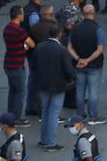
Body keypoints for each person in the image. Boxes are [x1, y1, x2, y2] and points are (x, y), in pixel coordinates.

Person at [31, 22, 73, 151]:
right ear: (59, 34)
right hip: (58, 85)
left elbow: (34, 65)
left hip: (43, 84)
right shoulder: (61, 50)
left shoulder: (39, 47)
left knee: (45, 112)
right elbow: (68, 70)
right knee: (54, 114)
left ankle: (44, 140)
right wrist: (72, 77)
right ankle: (51, 143)